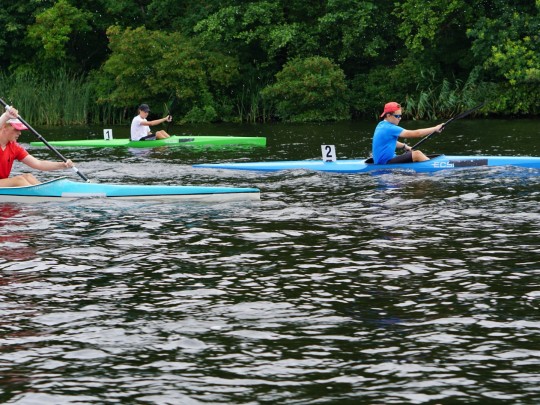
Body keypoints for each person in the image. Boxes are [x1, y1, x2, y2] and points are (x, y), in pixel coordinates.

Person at [0, 106, 74, 187]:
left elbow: (39, 164)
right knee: (19, 180)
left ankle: (46, 193)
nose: (19, 133)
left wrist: (63, 165)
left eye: (20, 130)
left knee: (28, 176)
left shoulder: (15, 147)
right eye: (16, 129)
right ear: (4, 127)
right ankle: (42, 196)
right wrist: (6, 116)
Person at [372, 102, 444, 165]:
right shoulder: (390, 128)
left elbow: (389, 141)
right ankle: (433, 166)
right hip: (385, 163)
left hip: (385, 160)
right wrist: (435, 129)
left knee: (413, 154)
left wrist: (404, 146)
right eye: (397, 116)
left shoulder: (381, 125)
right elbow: (417, 133)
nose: (400, 118)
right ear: (388, 115)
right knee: (417, 154)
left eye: (400, 116)